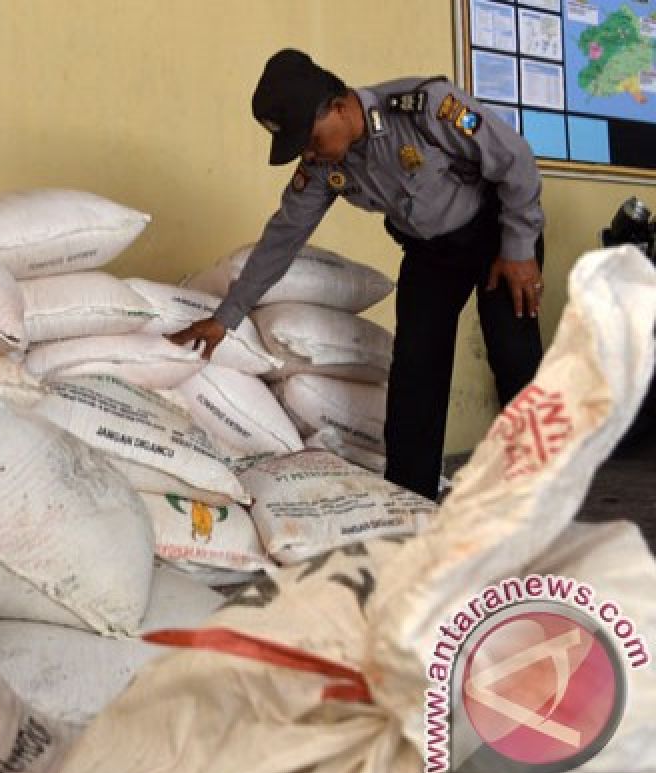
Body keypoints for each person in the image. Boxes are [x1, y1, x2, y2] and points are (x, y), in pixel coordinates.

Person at [168, 48, 545, 501]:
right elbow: (282, 239)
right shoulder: (327, 166)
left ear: (340, 107)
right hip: (431, 253)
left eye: (309, 139)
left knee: (513, 356)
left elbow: (515, 161)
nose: (308, 153)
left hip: (498, 232)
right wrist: (226, 317)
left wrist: (520, 248)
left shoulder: (426, 108)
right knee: (415, 369)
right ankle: (411, 499)